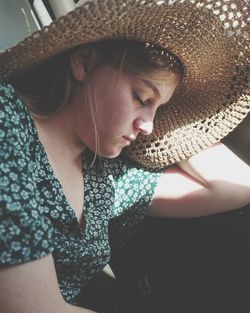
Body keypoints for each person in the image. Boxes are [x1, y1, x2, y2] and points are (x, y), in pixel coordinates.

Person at [0, 0, 249, 312]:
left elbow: (233, 185)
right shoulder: (7, 121)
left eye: (161, 109)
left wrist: (167, 125)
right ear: (84, 63)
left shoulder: (103, 176)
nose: (148, 125)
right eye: (141, 97)